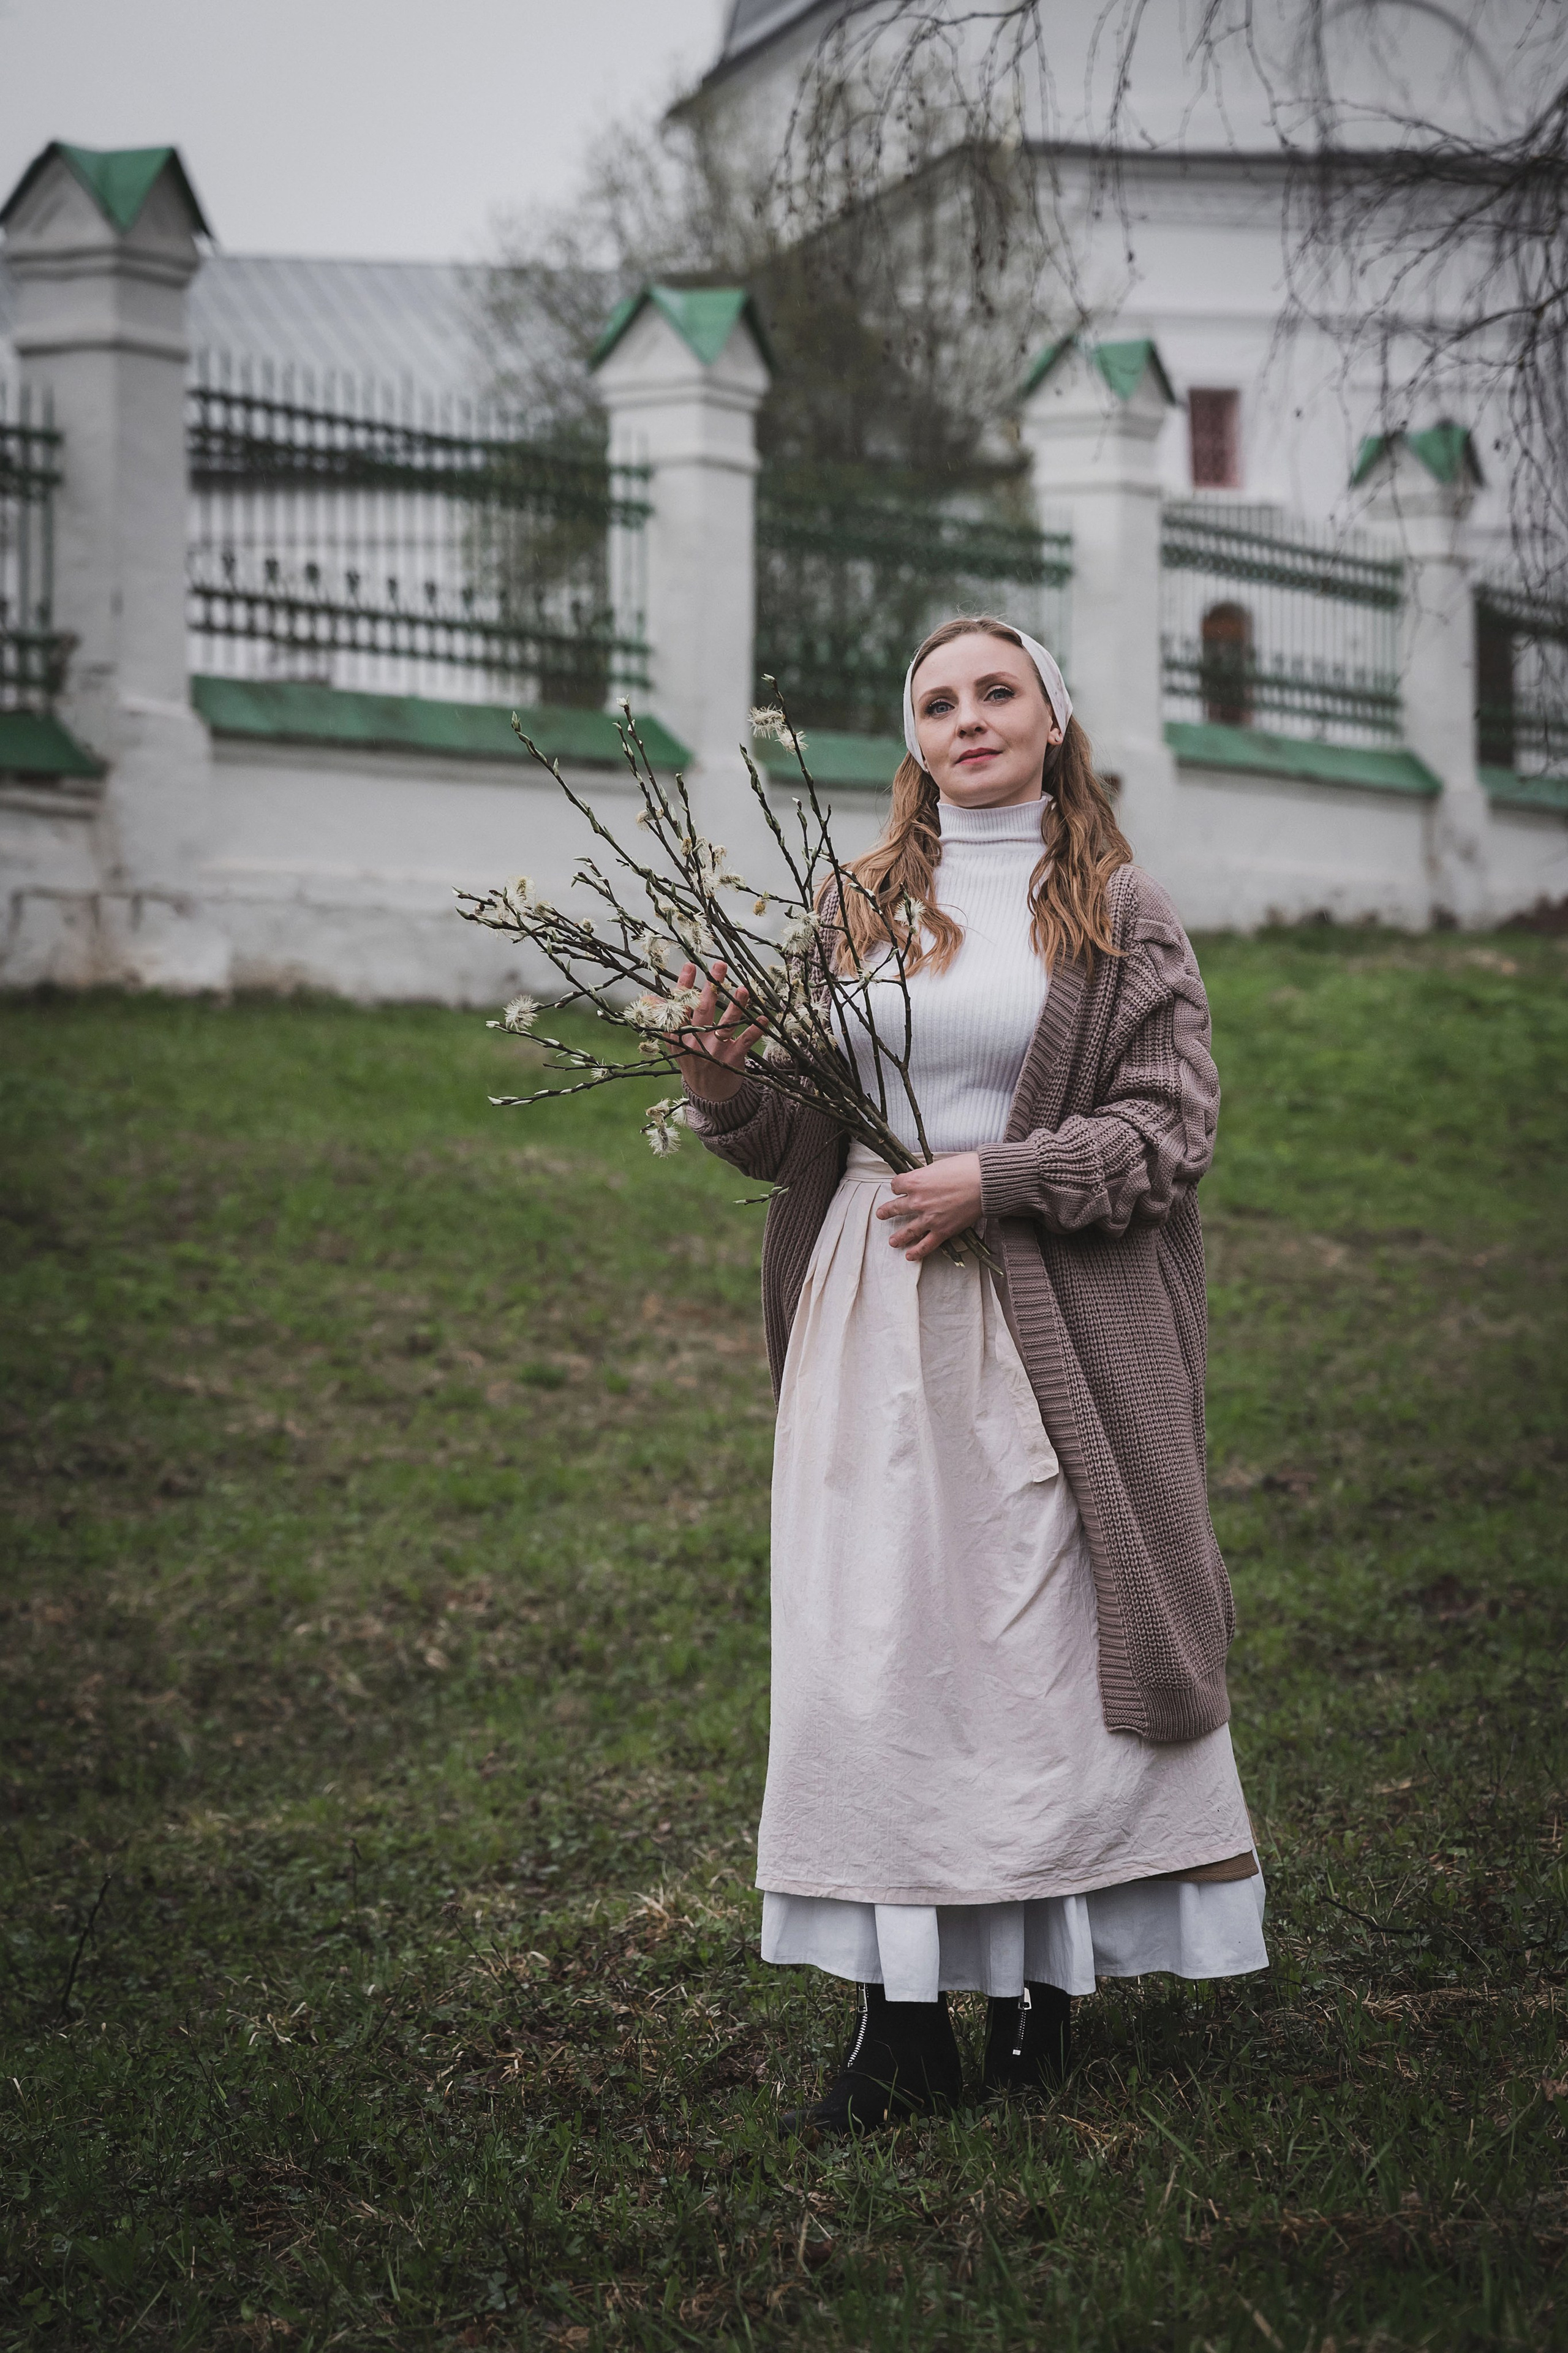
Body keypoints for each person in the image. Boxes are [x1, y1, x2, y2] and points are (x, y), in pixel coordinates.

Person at [672, 615, 1266, 2131]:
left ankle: (1040, 2002)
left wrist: (994, 1178)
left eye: (995, 690)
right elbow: (803, 1140)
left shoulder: (1120, 912)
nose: (966, 718)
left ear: (1052, 721)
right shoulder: (858, 904)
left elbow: (1168, 1129)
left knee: (1038, 1655)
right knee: (875, 1651)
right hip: (871, 1322)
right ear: (912, 738)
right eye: (935, 700)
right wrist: (720, 1083)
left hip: (1051, 1325)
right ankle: (897, 2024)